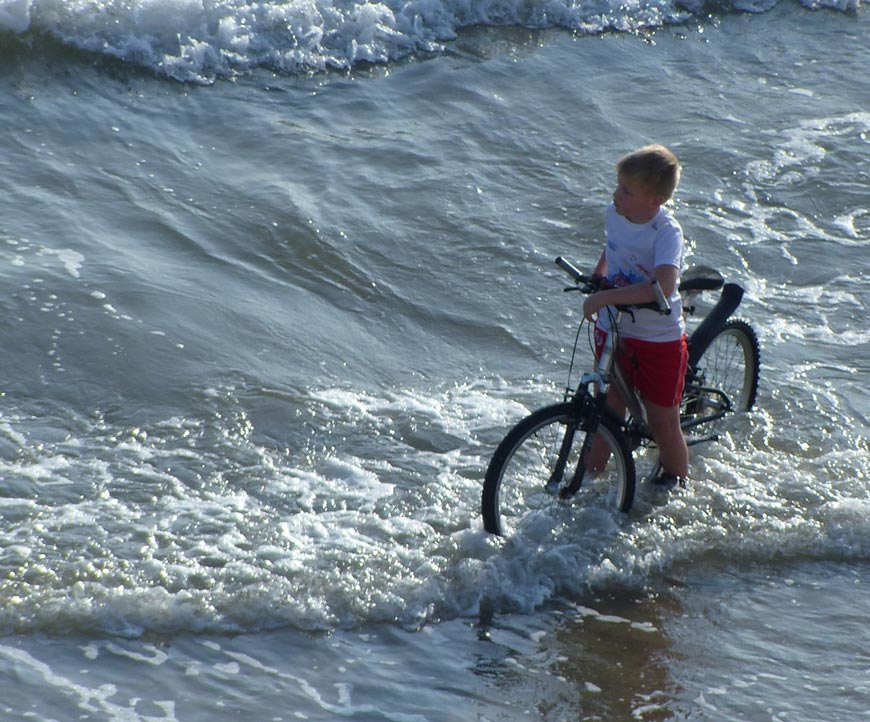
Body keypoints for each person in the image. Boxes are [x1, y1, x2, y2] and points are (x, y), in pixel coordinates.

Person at [582, 144, 688, 488]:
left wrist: (606, 297)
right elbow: (614, 246)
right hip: (615, 328)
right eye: (617, 185)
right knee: (607, 412)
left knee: (662, 422)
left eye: (626, 190)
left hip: (657, 338)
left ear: (655, 201)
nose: (616, 194)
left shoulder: (666, 232)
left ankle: (673, 484)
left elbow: (664, 285)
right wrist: (599, 274)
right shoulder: (615, 213)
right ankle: (585, 482)